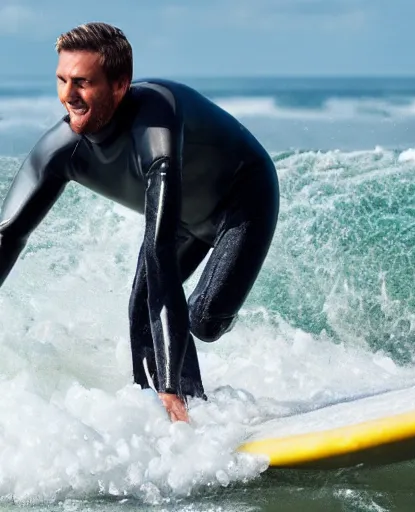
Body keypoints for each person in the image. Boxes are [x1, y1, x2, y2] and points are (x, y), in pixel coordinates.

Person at [0, 22, 279, 423]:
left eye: (82, 82)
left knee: (203, 322)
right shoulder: (58, 151)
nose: (68, 95)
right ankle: (181, 417)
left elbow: (159, 251)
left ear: (119, 84)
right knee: (141, 309)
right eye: (61, 80)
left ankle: (175, 398)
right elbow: (8, 234)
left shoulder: (156, 125)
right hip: (185, 221)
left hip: (243, 199)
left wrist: (170, 381)